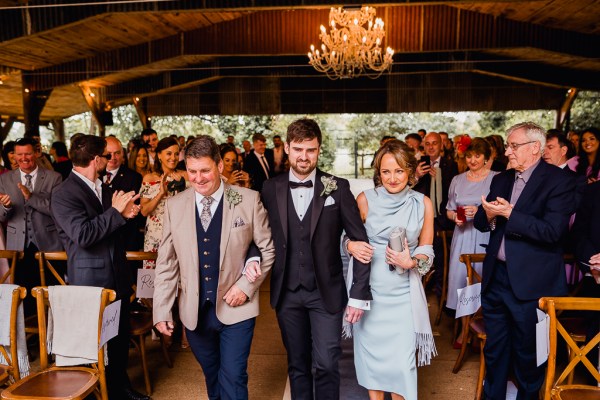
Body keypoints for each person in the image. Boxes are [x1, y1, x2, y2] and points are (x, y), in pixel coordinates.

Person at [153, 135, 275, 400]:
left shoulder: (248, 200)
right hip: (195, 313)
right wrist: (161, 309)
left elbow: (267, 249)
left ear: (219, 166)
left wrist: (245, 286)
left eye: (205, 170)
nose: (198, 178)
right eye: (192, 171)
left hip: (237, 309)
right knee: (212, 374)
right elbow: (166, 263)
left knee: (234, 376)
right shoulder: (174, 206)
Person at [261, 118, 372, 399]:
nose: (304, 156)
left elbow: (360, 241)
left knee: (326, 363)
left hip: (327, 293)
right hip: (287, 293)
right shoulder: (269, 189)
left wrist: (359, 293)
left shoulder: (337, 187)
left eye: (310, 150)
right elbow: (256, 237)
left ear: (319, 150)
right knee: (297, 365)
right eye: (298, 149)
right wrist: (252, 261)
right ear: (287, 148)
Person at [473, 122, 576, 400]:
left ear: (534, 148)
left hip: (532, 285)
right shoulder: (502, 179)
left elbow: (553, 232)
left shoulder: (559, 181)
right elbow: (482, 222)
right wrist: (491, 214)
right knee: (495, 351)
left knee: (528, 356)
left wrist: (510, 214)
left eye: (513, 146)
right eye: (508, 145)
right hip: (497, 279)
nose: (508, 151)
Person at [50, 134, 147, 400]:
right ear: (96, 159)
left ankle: (120, 388)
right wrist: (115, 213)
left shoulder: (103, 188)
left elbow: (109, 229)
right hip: (91, 280)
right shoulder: (63, 193)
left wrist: (125, 216)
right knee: (95, 343)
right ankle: (95, 392)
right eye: (106, 156)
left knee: (118, 337)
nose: (110, 160)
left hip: (117, 273)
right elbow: (83, 236)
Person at [347, 139, 436, 400]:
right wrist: (351, 245)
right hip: (370, 292)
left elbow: (427, 250)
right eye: (386, 171)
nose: (392, 178)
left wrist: (411, 262)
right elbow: (345, 237)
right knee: (372, 360)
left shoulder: (423, 203)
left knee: (402, 364)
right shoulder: (365, 199)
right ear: (378, 173)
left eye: (398, 171)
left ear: (409, 170)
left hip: (403, 295)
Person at [0, 137, 63, 315]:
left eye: (28, 153)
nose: (23, 158)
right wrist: (5, 206)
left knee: (52, 296)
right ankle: (29, 340)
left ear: (36, 153)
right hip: (18, 248)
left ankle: (52, 338)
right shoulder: (5, 179)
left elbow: (57, 211)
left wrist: (31, 197)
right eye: (19, 154)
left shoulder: (54, 177)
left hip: (49, 246)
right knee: (23, 298)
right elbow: (0, 215)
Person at [445, 138, 498, 316]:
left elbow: (501, 209)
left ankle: (483, 325)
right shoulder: (457, 180)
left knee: (483, 279)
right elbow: (449, 210)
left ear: (486, 157)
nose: (472, 160)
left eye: (477, 155)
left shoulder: (496, 178)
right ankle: (464, 328)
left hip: (486, 235)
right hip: (462, 236)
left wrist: (481, 211)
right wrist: (455, 218)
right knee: (461, 280)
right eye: (469, 156)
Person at [413, 131, 458, 298]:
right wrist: (417, 175)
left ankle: (441, 296)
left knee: (440, 260)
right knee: (418, 256)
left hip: (441, 220)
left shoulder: (450, 165)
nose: (431, 146)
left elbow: (452, 193)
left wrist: (439, 176)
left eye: (435, 143)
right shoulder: (418, 164)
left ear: (441, 146)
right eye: (428, 143)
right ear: (424, 146)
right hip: (421, 218)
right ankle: (419, 292)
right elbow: (408, 189)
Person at [140, 137, 187, 268]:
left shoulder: (186, 176)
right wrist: (161, 193)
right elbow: (144, 211)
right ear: (159, 155)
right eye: (169, 153)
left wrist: (183, 187)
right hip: (155, 238)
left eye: (176, 154)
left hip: (179, 235)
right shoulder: (149, 178)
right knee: (152, 281)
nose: (173, 157)